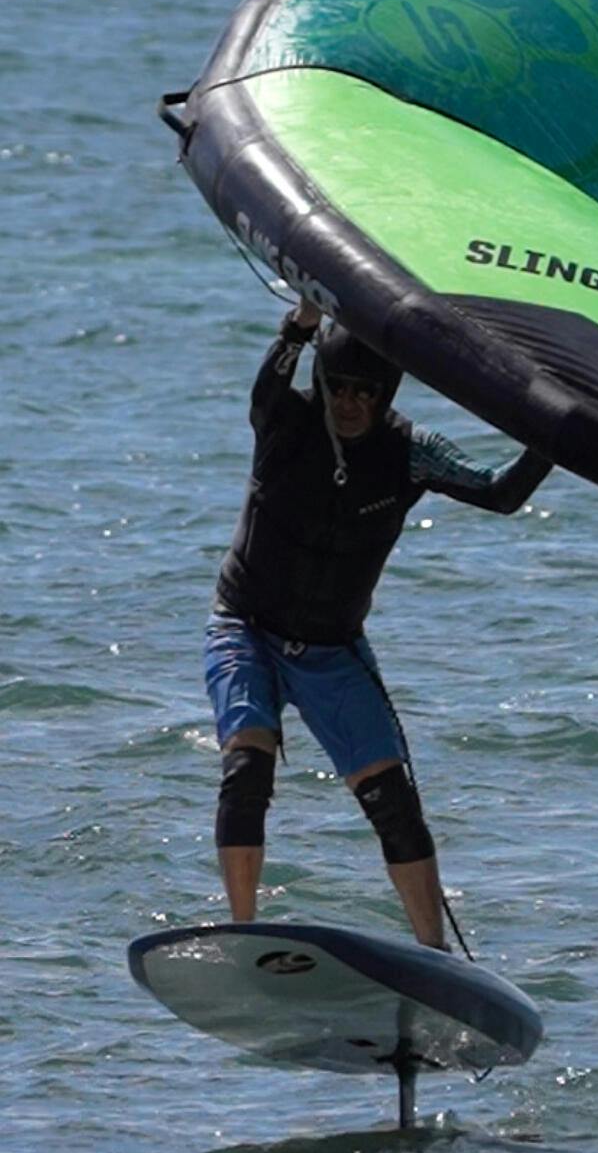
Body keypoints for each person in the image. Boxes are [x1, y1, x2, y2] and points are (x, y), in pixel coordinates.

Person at [202, 297, 552, 948]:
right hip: (245, 626)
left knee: (393, 803)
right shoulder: (285, 420)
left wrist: (556, 433)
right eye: (338, 387)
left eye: (364, 392)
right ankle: (243, 934)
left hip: (332, 650)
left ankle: (435, 955)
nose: (349, 403)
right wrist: (302, 321)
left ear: (385, 392)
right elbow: (271, 380)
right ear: (321, 382)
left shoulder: (410, 451)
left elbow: (498, 491)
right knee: (247, 769)